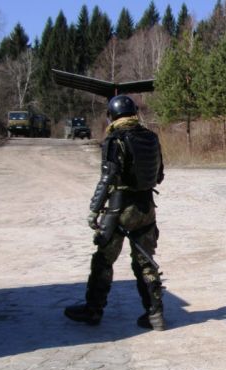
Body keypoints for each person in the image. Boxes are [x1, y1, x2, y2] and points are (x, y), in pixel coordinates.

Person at [64, 95, 166, 331]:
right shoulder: (151, 137)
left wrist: (94, 209)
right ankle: (156, 314)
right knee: (145, 262)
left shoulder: (115, 139)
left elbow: (107, 177)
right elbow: (159, 175)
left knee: (103, 260)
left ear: (112, 115)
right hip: (147, 208)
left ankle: (93, 310)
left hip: (121, 209)